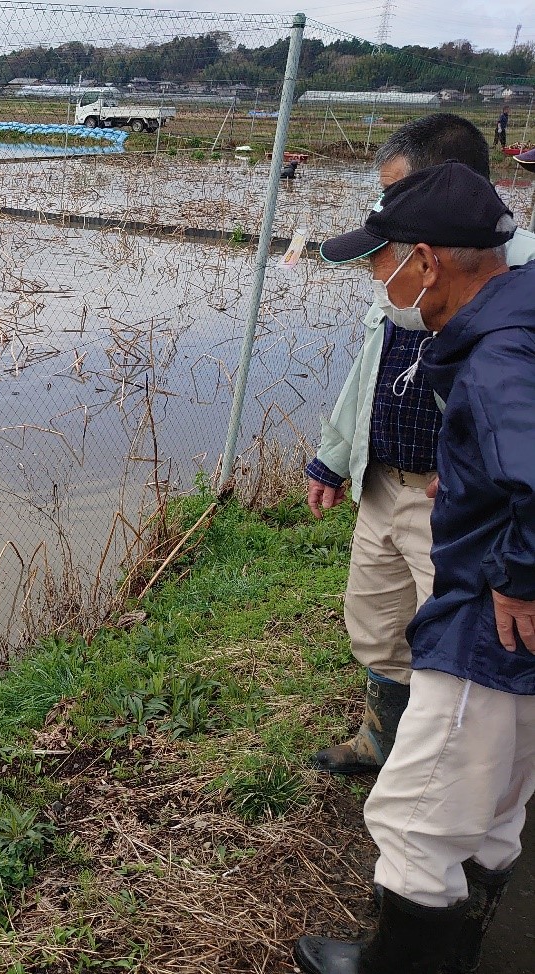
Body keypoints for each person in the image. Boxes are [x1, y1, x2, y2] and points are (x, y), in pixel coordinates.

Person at [294, 162, 535, 974]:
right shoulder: (518, 317)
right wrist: (466, 472)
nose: (377, 281)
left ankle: (399, 964)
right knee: (497, 797)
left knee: (413, 812)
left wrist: (518, 575)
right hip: (505, 615)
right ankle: (463, 947)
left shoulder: (497, 355)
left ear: (425, 262)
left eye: (381, 261)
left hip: (484, 616)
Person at [305, 113, 535, 775]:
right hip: (386, 479)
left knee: (461, 646)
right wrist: (334, 455)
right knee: (377, 621)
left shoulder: (510, 280)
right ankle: (382, 737)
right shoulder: (402, 267)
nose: (385, 213)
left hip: (459, 504)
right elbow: (368, 369)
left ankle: (463, 780)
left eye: (396, 195)